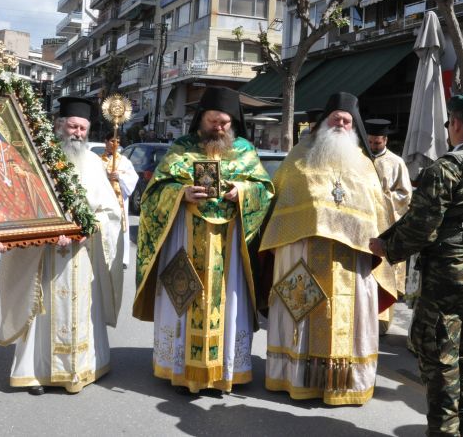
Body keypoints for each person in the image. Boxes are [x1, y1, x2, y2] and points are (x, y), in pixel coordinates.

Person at [370, 94, 463, 436]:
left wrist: (385, 246)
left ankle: (444, 431)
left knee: (440, 359)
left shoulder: (446, 168)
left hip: (447, 279)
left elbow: (422, 227)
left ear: (455, 124)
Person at [133, 87, 274, 394]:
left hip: (230, 249)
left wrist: (243, 191)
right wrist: (181, 194)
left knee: (229, 299)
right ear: (201, 119)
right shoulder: (181, 148)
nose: (219, 127)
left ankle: (227, 368)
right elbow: (154, 193)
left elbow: (264, 189)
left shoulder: (245, 150)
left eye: (224, 122)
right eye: (213, 121)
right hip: (184, 240)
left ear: (233, 121)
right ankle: (180, 367)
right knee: (183, 297)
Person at [260, 92, 397, 405]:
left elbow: (379, 213)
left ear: (354, 126)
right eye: (335, 118)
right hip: (302, 255)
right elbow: (279, 201)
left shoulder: (364, 166)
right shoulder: (298, 158)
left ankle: (344, 383)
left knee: (345, 320)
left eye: (347, 121)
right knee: (301, 314)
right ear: (323, 123)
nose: (341, 124)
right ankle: (295, 377)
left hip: (351, 261)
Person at [0, 96, 124, 395]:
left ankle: (82, 368)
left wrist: (85, 228)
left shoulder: (93, 163)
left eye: (83, 128)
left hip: (81, 253)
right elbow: (20, 205)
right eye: (72, 126)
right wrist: (49, 230)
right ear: (58, 126)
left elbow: (110, 212)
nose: (78, 133)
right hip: (43, 254)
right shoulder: (34, 159)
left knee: (82, 309)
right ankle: (37, 372)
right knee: (41, 310)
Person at [0, 110, 56, 222]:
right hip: (0, 204)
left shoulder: (7, 148)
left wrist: (25, 173)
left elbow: (31, 172)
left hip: (24, 201)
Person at [365, 118, 412, 334]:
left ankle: (382, 323)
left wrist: (384, 197)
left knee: (384, 272)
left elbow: (405, 195)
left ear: (385, 140)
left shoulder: (396, 162)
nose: (374, 146)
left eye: (378, 143)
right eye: (371, 142)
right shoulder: (360, 158)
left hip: (385, 227)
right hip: (363, 225)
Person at [102, 136, 138, 268]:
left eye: (118, 141)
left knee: (120, 227)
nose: (115, 144)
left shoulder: (124, 161)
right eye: (112, 140)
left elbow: (133, 178)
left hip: (120, 200)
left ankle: (122, 258)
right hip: (103, 200)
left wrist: (120, 177)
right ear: (105, 142)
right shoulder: (98, 161)